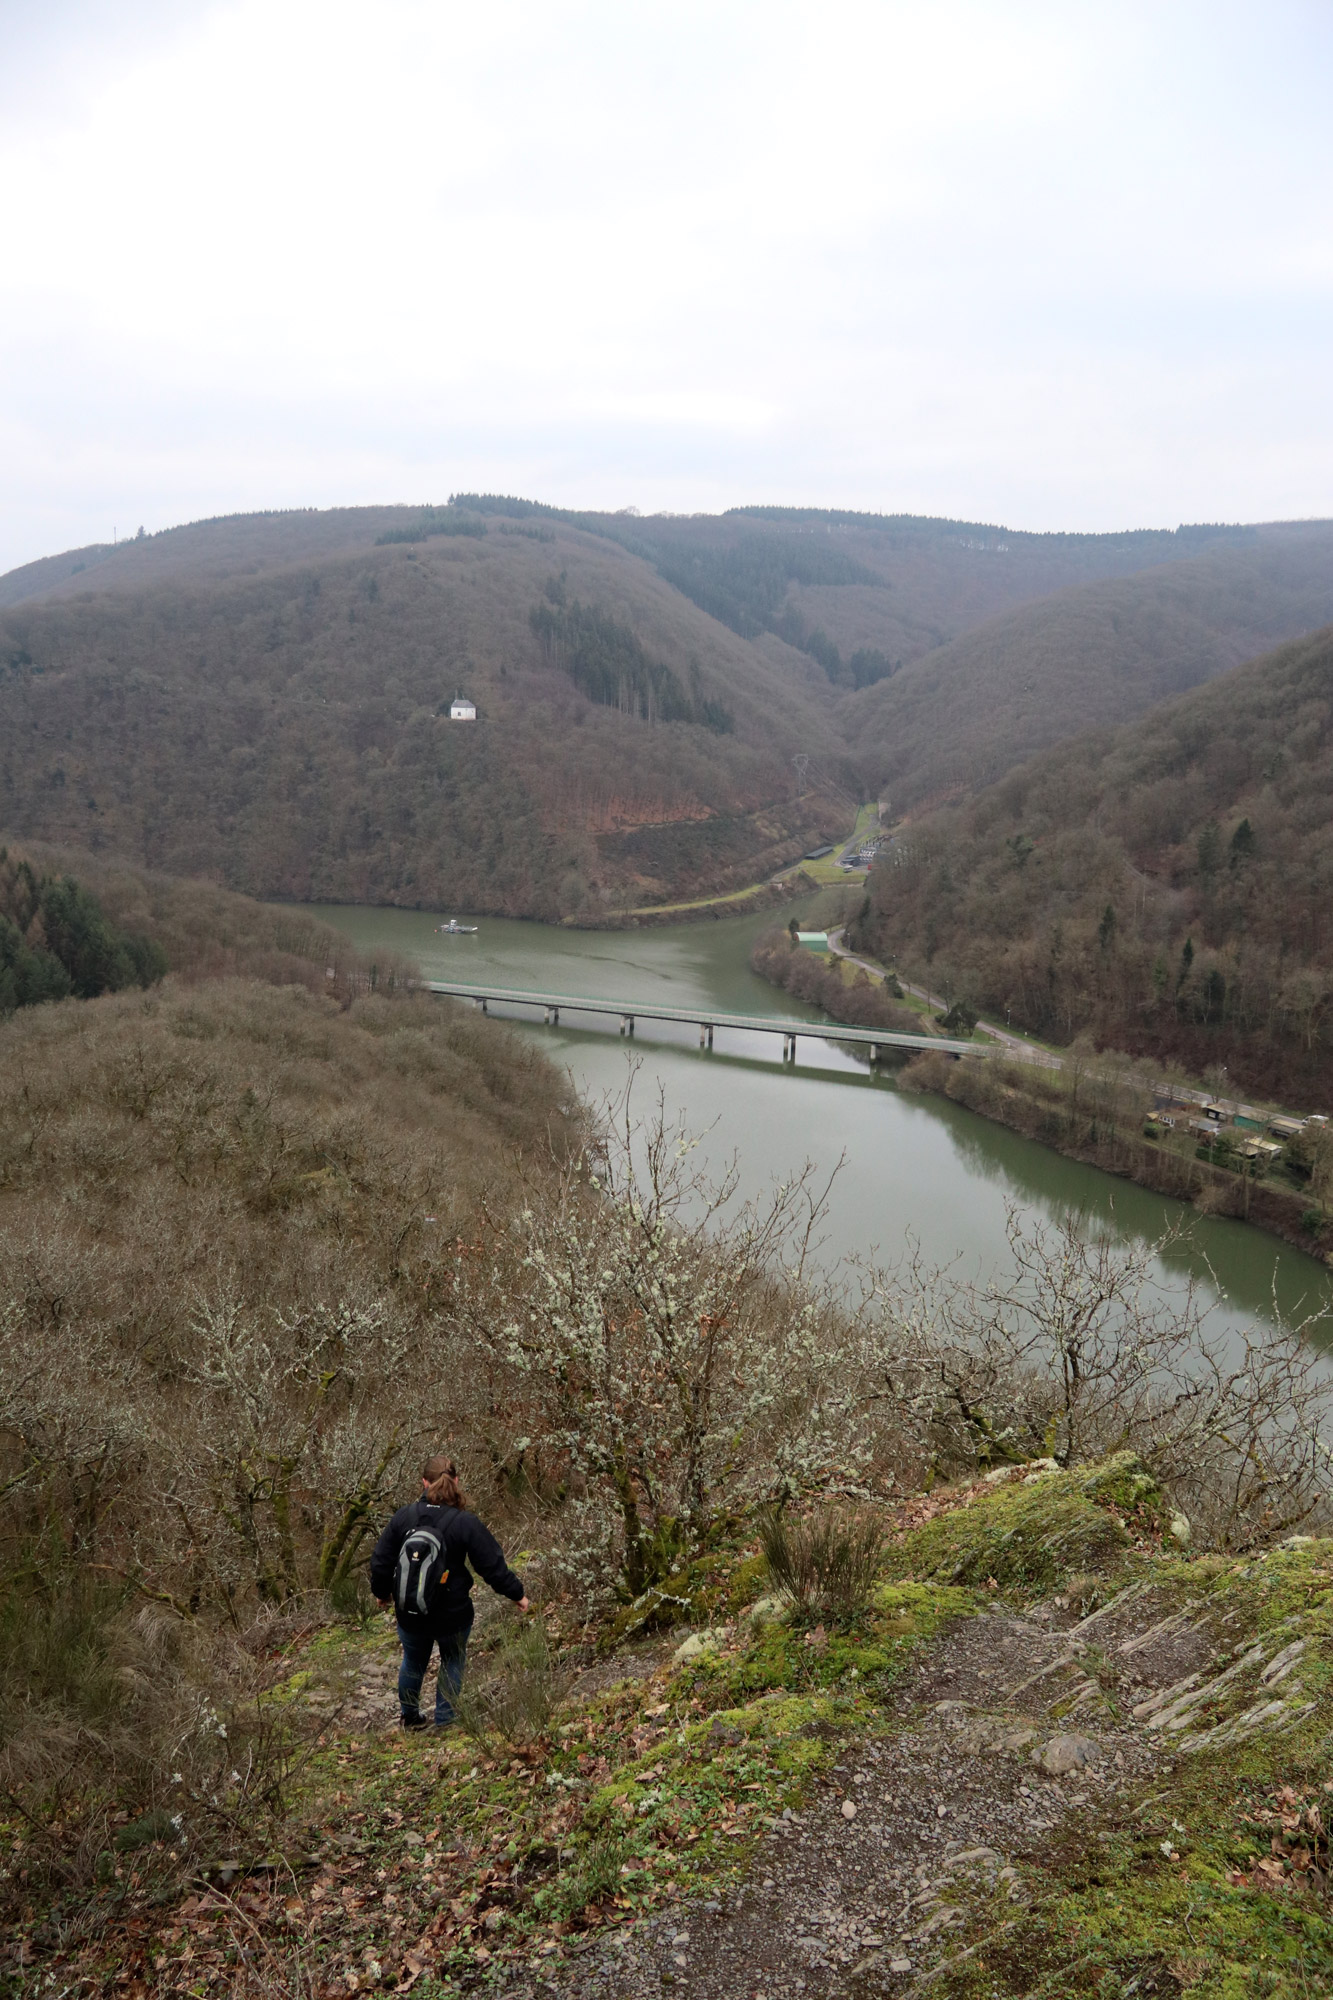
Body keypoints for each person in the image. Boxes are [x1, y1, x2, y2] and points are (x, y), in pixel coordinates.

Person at [369, 1454, 530, 1729]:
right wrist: (517, 1594)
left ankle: (410, 1718)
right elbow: (492, 1566)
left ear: (423, 1482)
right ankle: (445, 1721)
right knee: (452, 1661)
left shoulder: (403, 1517)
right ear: (456, 1481)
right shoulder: (464, 1522)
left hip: (411, 1611)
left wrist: (382, 1593)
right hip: (452, 1614)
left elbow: (381, 1562)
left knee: (413, 1660)